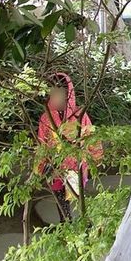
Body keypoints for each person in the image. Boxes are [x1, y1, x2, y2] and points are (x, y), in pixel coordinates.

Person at [36, 73, 102, 220]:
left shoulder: (80, 115)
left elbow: (91, 137)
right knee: (59, 197)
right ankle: (65, 221)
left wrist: (95, 158)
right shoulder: (46, 117)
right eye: (52, 93)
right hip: (55, 166)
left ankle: (85, 222)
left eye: (59, 93)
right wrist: (42, 164)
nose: (55, 97)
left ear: (68, 94)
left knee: (78, 195)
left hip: (76, 164)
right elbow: (42, 142)